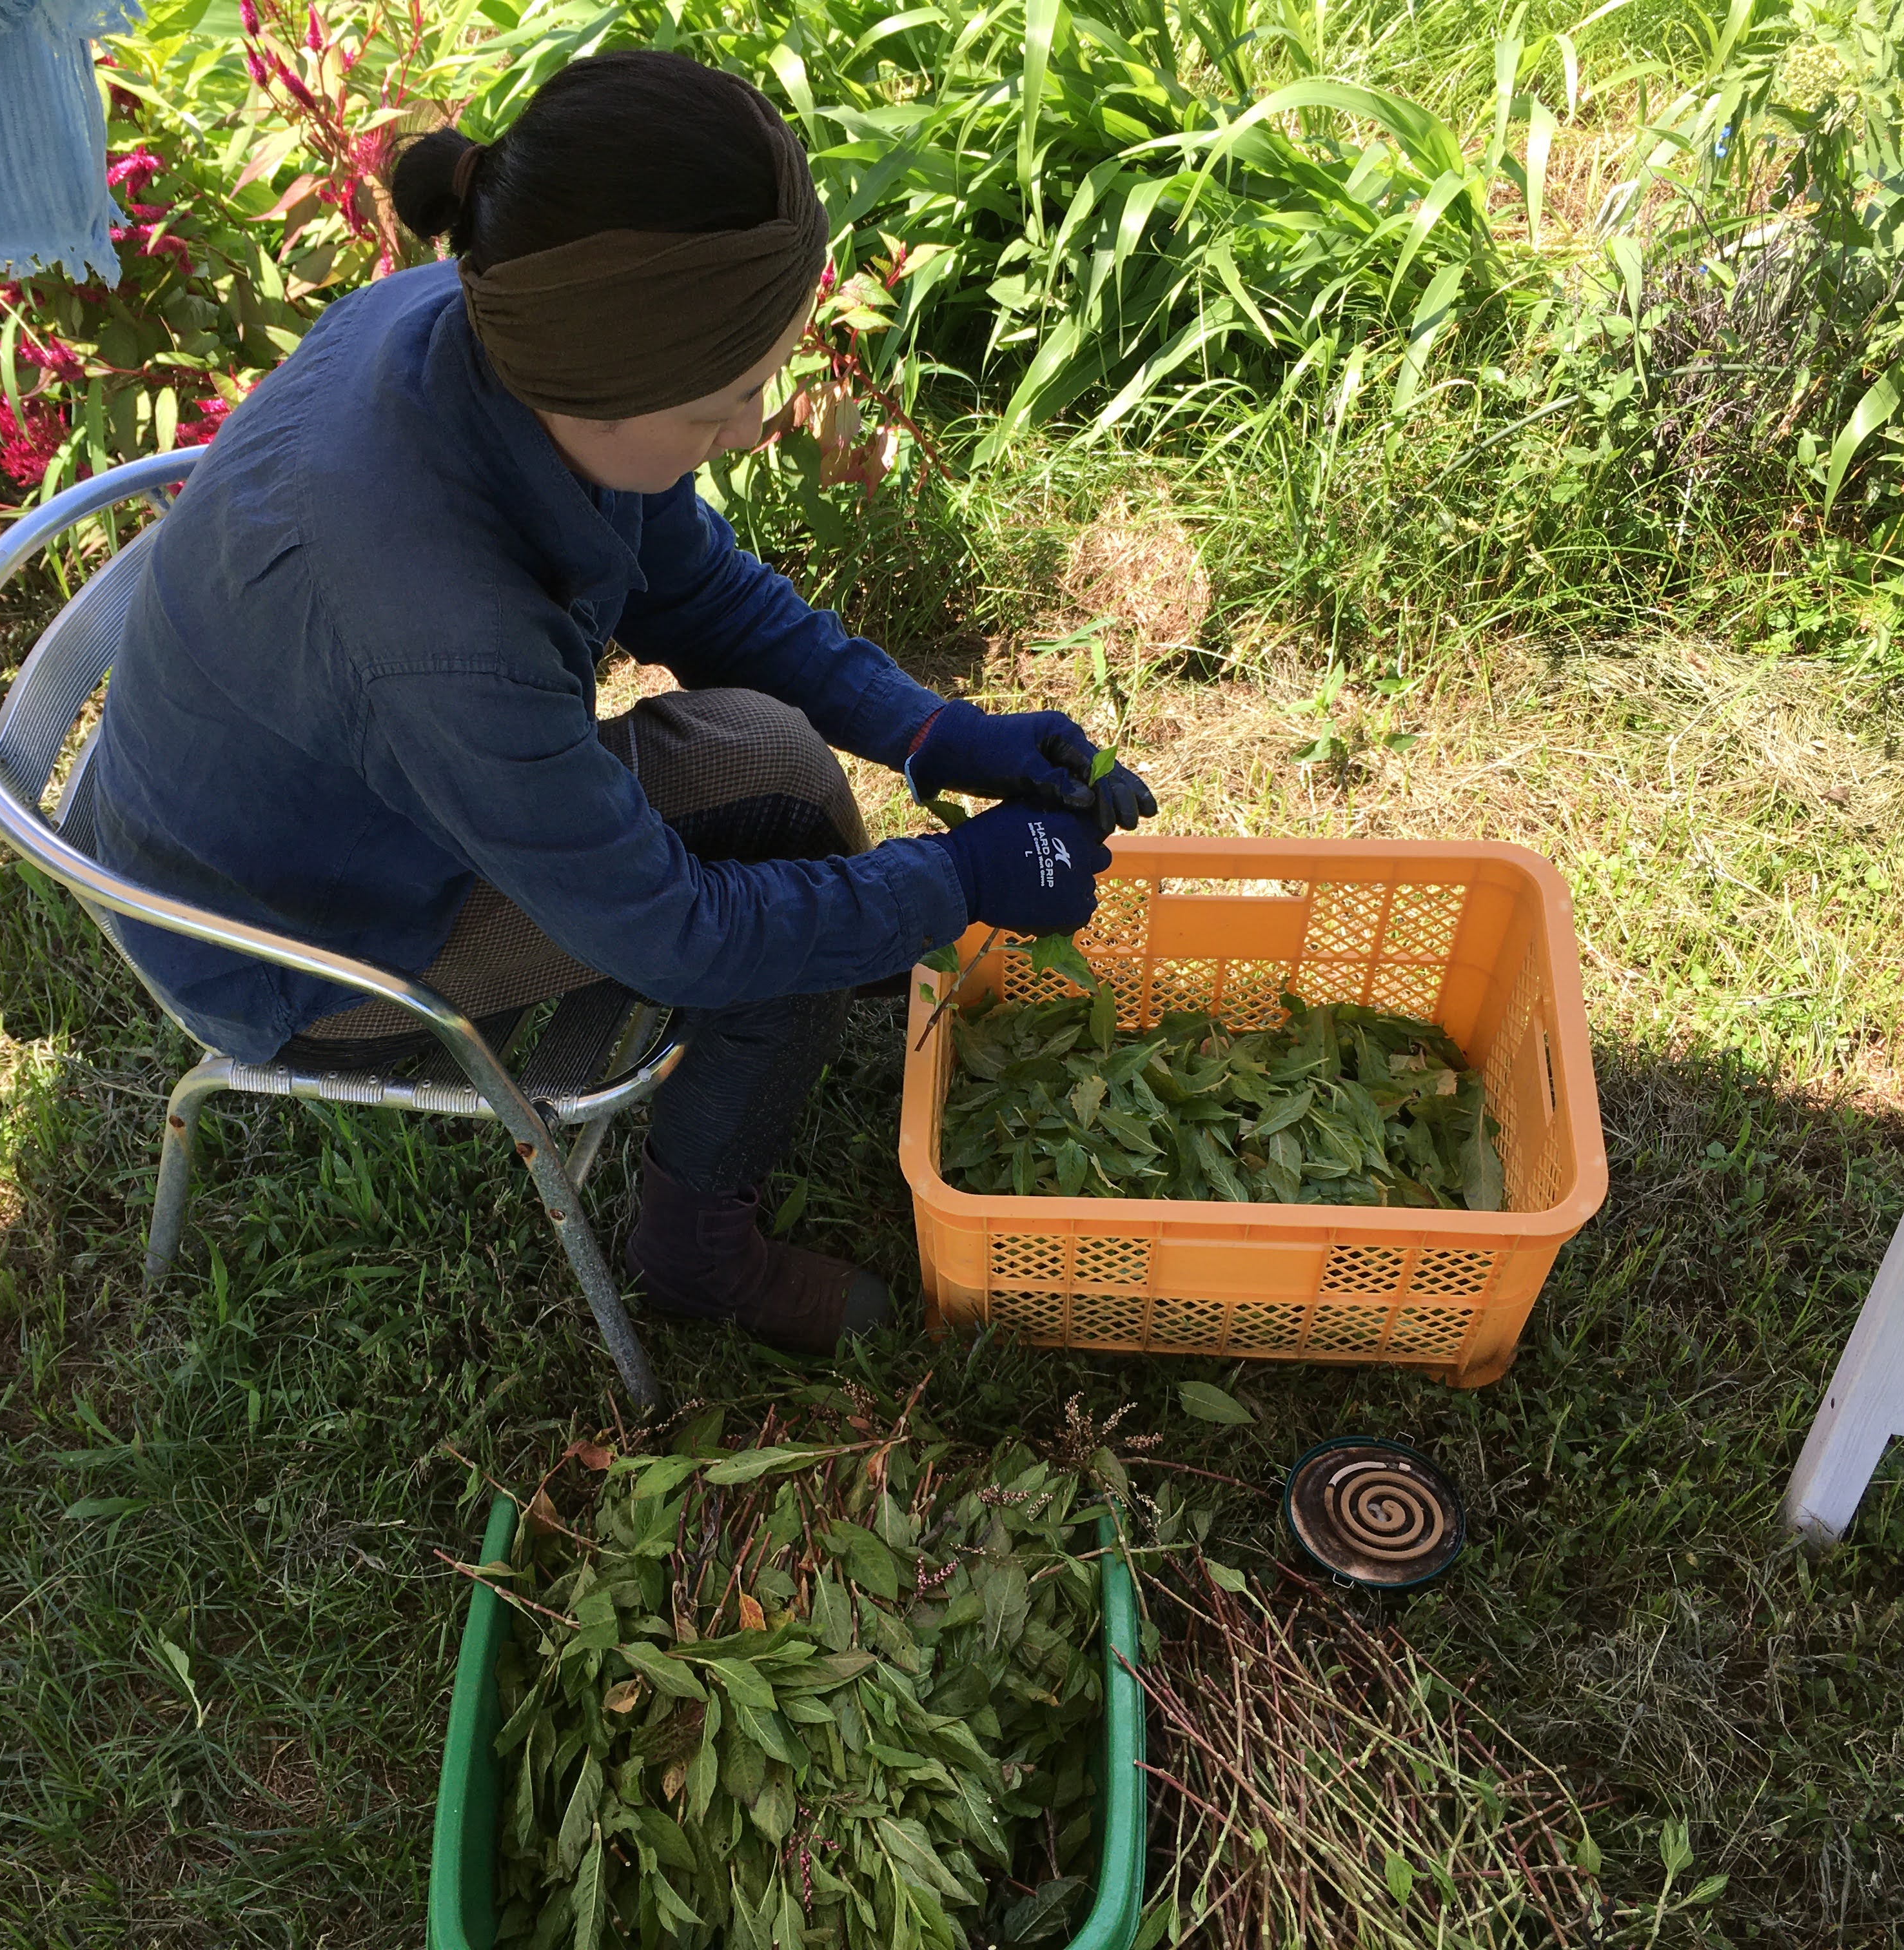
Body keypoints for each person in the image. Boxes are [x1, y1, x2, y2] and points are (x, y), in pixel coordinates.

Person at [84, 48, 1157, 1357]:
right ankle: (698, 1252)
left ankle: (849, 967)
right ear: (595, 390)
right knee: (779, 844)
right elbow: (680, 939)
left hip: (323, 794)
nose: (756, 428)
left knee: (781, 786)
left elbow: (700, 597)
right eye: (722, 407)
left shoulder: (499, 327)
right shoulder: (437, 622)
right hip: (298, 932)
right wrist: (963, 879)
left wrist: (937, 732)